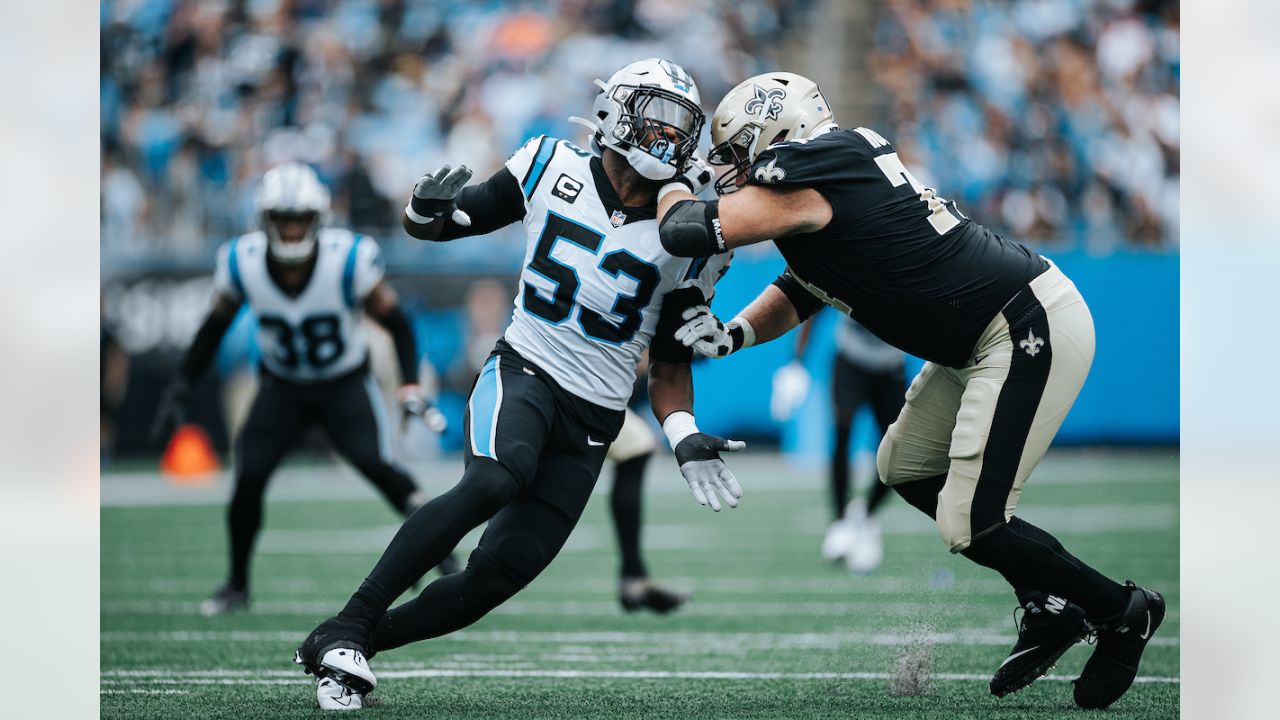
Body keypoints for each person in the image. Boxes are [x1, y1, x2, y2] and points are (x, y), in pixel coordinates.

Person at [657, 71, 1164, 710]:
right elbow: (801, 289)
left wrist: (669, 179)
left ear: (773, 136)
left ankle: (1124, 611)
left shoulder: (810, 169)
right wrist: (733, 335)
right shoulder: (821, 186)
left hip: (1024, 323)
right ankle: (1047, 604)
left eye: (733, 153)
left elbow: (683, 230)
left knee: (972, 523)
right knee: (905, 466)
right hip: (981, 339)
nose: (728, 169)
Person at [292, 59, 739, 710]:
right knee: (496, 477)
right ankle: (354, 620)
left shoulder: (692, 235)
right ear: (615, 112)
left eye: (682, 127)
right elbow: (451, 221)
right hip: (525, 368)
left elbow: (670, 366)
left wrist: (685, 433)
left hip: (595, 420)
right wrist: (422, 211)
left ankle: (343, 643)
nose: (669, 139)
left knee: (497, 577)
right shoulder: (548, 163)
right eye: (657, 119)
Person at [151, 163, 458, 617]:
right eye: (282, 219)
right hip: (283, 388)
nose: (292, 229)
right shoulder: (243, 262)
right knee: (249, 477)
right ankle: (237, 585)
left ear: (317, 220)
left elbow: (395, 322)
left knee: (382, 469)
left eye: (299, 218)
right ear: (265, 221)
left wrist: (409, 381)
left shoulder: (347, 258)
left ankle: (444, 559)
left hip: (344, 384)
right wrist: (181, 386)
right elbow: (212, 328)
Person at [775, 314, 905, 573]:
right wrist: (796, 363)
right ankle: (840, 520)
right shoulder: (857, 273)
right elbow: (812, 306)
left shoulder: (911, 277)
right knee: (842, 433)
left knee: (899, 452)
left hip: (891, 366)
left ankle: (865, 514)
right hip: (851, 360)